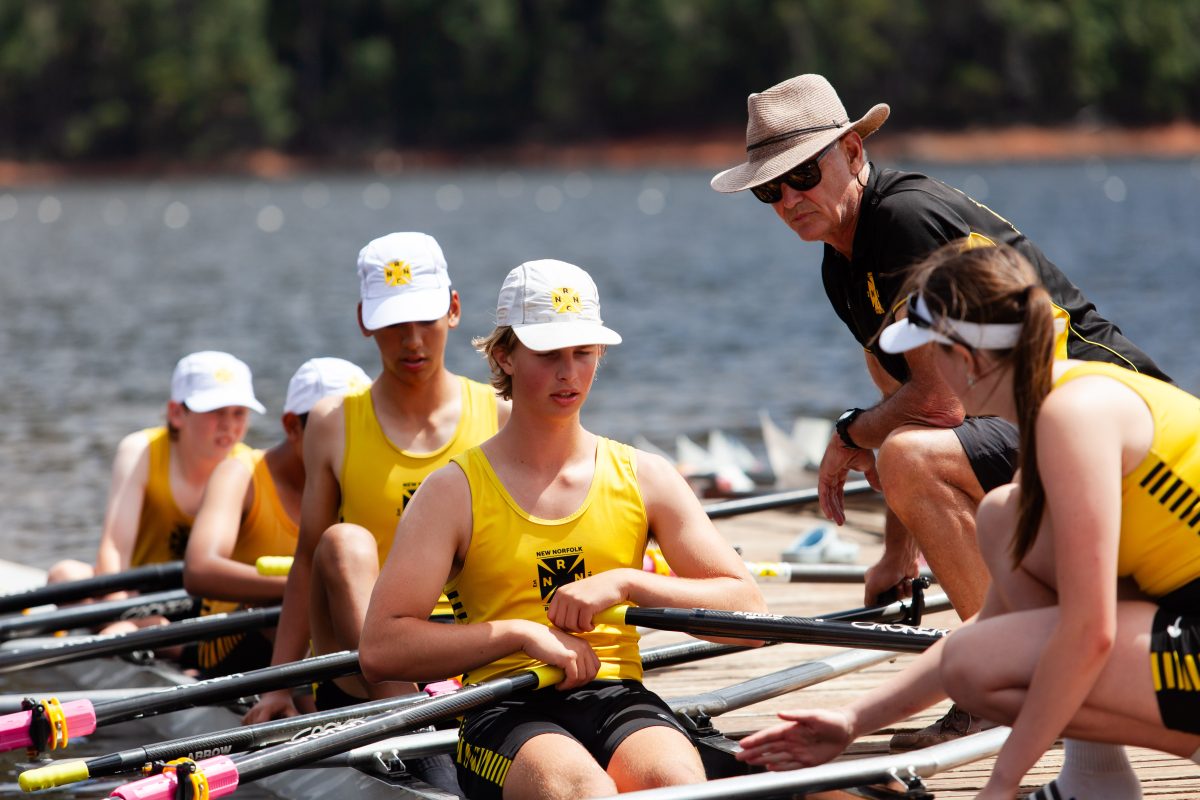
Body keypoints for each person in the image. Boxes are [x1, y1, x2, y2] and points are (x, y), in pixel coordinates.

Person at [711, 73, 1169, 746]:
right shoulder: (841, 262)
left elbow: (937, 403)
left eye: (802, 175)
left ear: (853, 153)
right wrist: (897, 554)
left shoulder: (903, 219)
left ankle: (999, 686)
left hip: (1109, 413)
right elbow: (904, 399)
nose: (788, 200)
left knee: (906, 454)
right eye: (768, 190)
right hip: (1035, 423)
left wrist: (847, 436)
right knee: (912, 457)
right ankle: (1014, 672)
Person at [735, 242, 1200, 800]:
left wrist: (999, 786)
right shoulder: (1065, 397)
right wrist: (853, 720)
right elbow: (993, 620)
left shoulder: (1072, 417)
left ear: (966, 358)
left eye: (927, 354)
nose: (923, 373)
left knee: (983, 668)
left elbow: (1088, 633)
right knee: (1003, 520)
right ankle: (1095, 781)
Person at [359, 258, 767, 800]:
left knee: (674, 785)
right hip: (502, 705)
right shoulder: (452, 492)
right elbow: (381, 648)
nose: (569, 373)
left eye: (583, 352)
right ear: (504, 355)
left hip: (616, 695)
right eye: (549, 354)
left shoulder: (645, 476)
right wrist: (520, 633)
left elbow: (749, 615)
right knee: (582, 790)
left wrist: (628, 582)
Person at [242, 233, 508, 722]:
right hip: (366, 652)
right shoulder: (332, 422)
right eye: (394, 323)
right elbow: (308, 559)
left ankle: (429, 715)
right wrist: (278, 685)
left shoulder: (499, 414)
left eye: (425, 320)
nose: (412, 341)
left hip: (468, 643)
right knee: (342, 542)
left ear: (453, 310)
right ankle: (409, 717)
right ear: (365, 320)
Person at [183, 357, 370, 677]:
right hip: (231, 638)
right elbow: (200, 570)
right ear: (293, 427)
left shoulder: (360, 477)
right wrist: (304, 587)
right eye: (337, 429)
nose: (354, 443)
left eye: (364, 427)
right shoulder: (240, 474)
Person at [49, 351, 265, 592]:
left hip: (211, 598)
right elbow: (115, 550)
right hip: (139, 594)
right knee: (64, 575)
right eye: (216, 410)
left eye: (239, 413)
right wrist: (120, 607)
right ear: (176, 413)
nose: (229, 425)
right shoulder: (141, 451)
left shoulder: (251, 468)